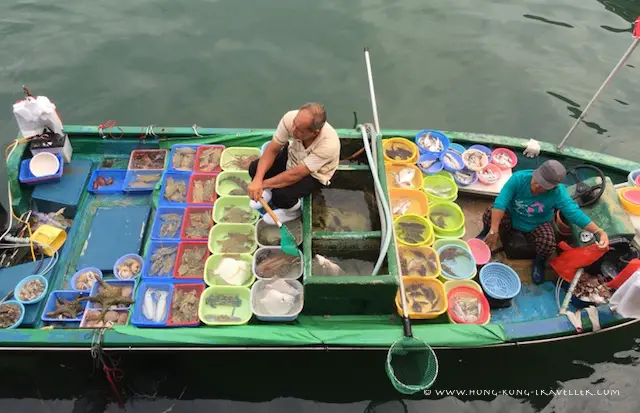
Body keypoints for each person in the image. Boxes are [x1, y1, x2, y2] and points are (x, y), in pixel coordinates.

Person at [480, 160, 610, 284]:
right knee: (489, 214)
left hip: (536, 223)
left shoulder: (558, 193)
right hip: (512, 215)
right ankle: (486, 234)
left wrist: (598, 231)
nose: (536, 186)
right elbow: (501, 202)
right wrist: (494, 230)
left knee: (548, 243)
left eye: (543, 186)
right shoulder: (518, 178)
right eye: (537, 180)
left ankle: (539, 262)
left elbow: (574, 213)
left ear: (553, 186)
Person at [247, 103, 340, 224]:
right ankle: (268, 190)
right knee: (254, 169)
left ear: (314, 133)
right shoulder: (290, 119)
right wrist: (258, 180)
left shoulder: (328, 145)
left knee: (280, 196)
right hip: (294, 155)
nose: (292, 130)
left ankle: (293, 211)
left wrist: (262, 184)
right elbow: (272, 149)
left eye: (299, 130)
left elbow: (295, 175)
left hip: (314, 173)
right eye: (294, 124)